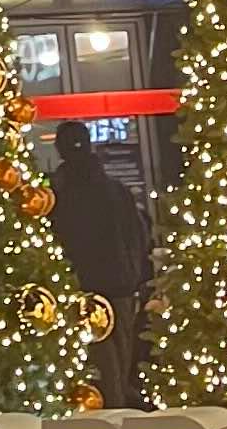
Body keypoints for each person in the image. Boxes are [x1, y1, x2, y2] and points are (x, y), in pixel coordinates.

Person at [48, 124, 151, 407]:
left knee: (99, 362)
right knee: (120, 359)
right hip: (120, 285)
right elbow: (138, 236)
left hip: (82, 286)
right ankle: (121, 413)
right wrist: (135, 277)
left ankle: (110, 415)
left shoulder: (60, 195)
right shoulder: (115, 191)